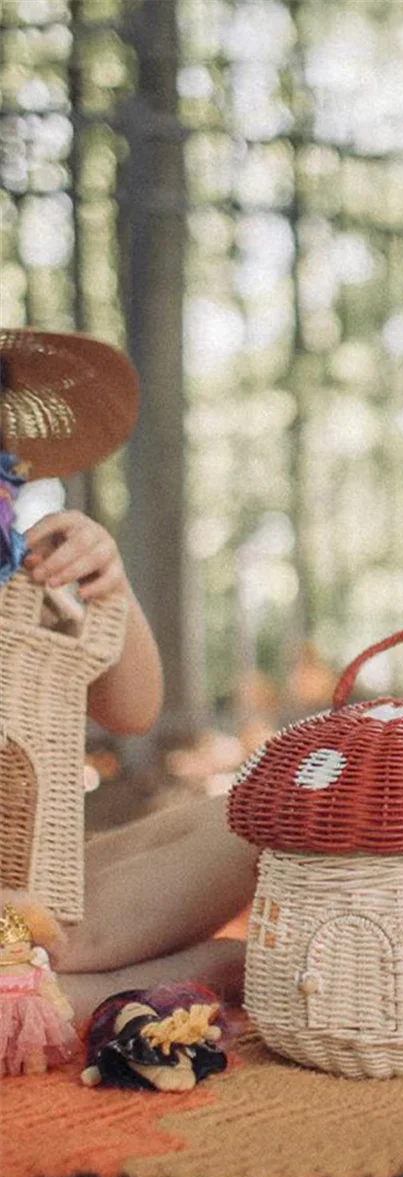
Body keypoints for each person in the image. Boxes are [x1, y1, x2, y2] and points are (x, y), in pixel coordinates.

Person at [0, 329, 258, 1019]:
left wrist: (108, 589)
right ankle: (177, 975)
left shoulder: (25, 577)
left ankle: (78, 975)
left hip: (45, 890)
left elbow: (133, 710)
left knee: (253, 821)